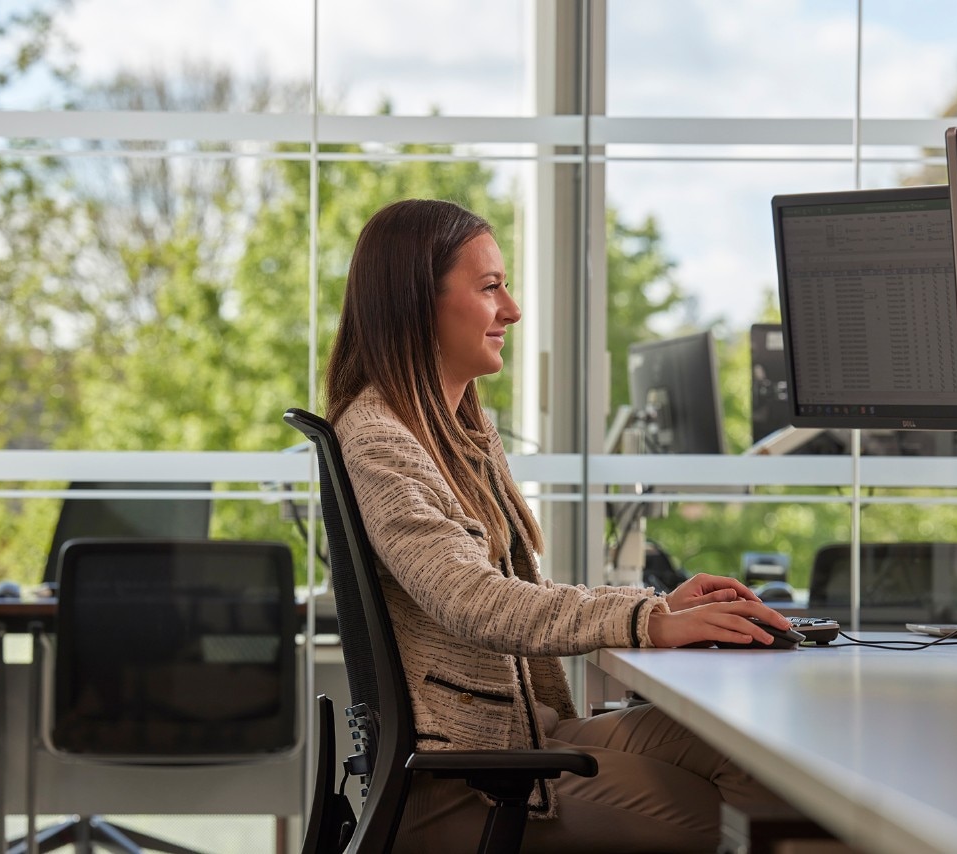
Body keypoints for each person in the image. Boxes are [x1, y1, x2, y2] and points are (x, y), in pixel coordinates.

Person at [325, 198, 793, 853]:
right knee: (732, 822)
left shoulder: (457, 430)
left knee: (764, 770)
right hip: (461, 783)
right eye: (490, 288)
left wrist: (655, 606)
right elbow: (470, 598)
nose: (511, 310)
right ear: (416, 304)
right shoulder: (380, 441)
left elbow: (512, 588)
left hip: (524, 734)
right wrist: (647, 621)